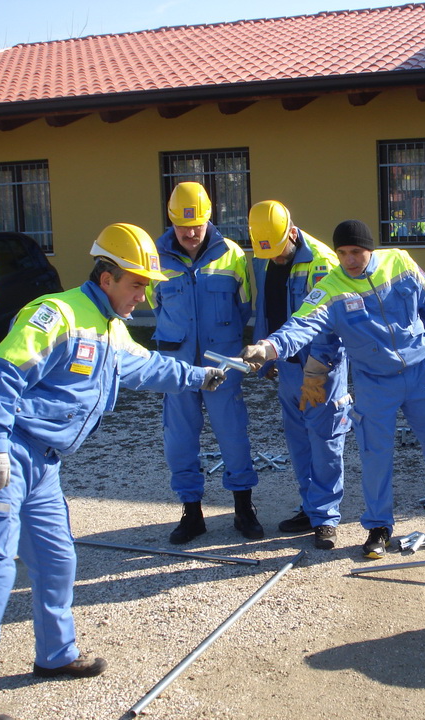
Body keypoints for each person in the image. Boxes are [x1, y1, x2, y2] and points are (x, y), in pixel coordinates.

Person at [0, 223, 225, 720]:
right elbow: (2, 374)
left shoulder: (111, 328)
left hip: (44, 463)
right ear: (107, 277)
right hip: (7, 451)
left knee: (57, 561)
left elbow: (149, 368)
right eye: (136, 285)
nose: (142, 296)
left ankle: (55, 654)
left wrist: (200, 376)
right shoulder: (58, 315)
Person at [240, 219, 425, 559]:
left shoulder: (400, 261)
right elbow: (302, 324)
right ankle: (379, 526)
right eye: (342, 253)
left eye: (356, 252)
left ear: (370, 249)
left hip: (421, 372)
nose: (349, 260)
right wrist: (269, 347)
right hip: (374, 381)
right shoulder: (331, 287)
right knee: (375, 454)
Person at [149, 181, 261, 544]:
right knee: (180, 441)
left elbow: (243, 306)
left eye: (196, 225)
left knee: (233, 435)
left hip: (222, 364)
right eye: (182, 226)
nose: (190, 233)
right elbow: (155, 305)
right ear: (171, 220)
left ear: (209, 218)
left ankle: (243, 509)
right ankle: (192, 513)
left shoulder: (231, 254)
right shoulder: (155, 258)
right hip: (177, 368)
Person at [248, 200, 350, 550]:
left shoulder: (322, 263)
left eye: (279, 251)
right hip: (288, 368)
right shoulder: (266, 257)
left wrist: (317, 370)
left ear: (292, 233)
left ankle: (326, 519)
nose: (275, 259)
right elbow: (266, 308)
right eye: (268, 254)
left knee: (325, 443)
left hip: (319, 370)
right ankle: (310, 507)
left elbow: (328, 324)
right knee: (299, 443)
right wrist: (265, 359)